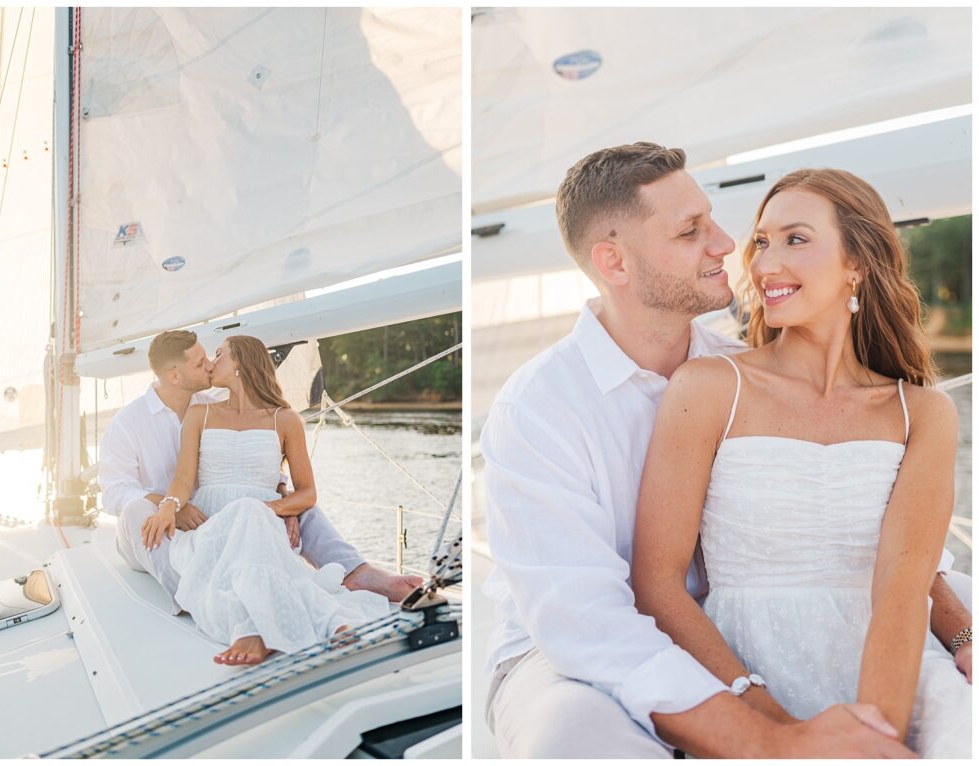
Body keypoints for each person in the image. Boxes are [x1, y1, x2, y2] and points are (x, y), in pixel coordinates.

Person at [481, 142, 970, 757]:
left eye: (713, 220)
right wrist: (773, 737)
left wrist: (961, 637)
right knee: (575, 737)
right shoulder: (540, 407)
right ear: (615, 262)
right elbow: (588, 623)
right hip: (568, 654)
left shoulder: (740, 368)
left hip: (735, 643)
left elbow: (890, 553)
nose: (727, 246)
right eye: (691, 231)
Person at [632, 168, 970, 757]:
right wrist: (777, 730)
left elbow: (901, 583)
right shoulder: (710, 387)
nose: (763, 264)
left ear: (856, 264)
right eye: (761, 241)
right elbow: (657, 585)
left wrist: (873, 733)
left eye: (796, 239)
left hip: (895, 674)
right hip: (746, 680)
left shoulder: (924, 413)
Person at [100, 331, 421, 658]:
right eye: (201, 362)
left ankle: (356, 572)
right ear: (173, 375)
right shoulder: (130, 422)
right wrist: (171, 507)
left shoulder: (216, 406)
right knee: (135, 511)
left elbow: (253, 466)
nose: (210, 364)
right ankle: (190, 591)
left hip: (222, 516)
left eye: (214, 356)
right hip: (165, 527)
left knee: (275, 507)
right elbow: (115, 493)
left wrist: (280, 497)